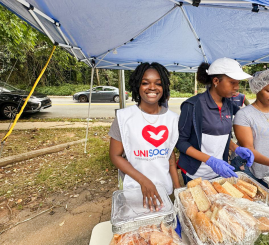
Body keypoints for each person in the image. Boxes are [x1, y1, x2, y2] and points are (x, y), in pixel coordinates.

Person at [109, 62, 180, 211]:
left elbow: (169, 155)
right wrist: (144, 181)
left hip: (163, 188)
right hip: (135, 189)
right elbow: (115, 155)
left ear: (164, 87)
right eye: (145, 83)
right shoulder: (124, 118)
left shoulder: (173, 119)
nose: (152, 87)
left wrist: (178, 188)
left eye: (158, 83)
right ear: (137, 86)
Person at [176, 58, 255, 185]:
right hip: (195, 172)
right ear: (216, 81)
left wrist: (236, 148)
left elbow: (219, 135)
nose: (237, 87)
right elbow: (180, 142)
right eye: (232, 82)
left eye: (238, 83)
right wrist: (210, 160)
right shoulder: (193, 105)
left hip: (219, 171)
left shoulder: (229, 105)